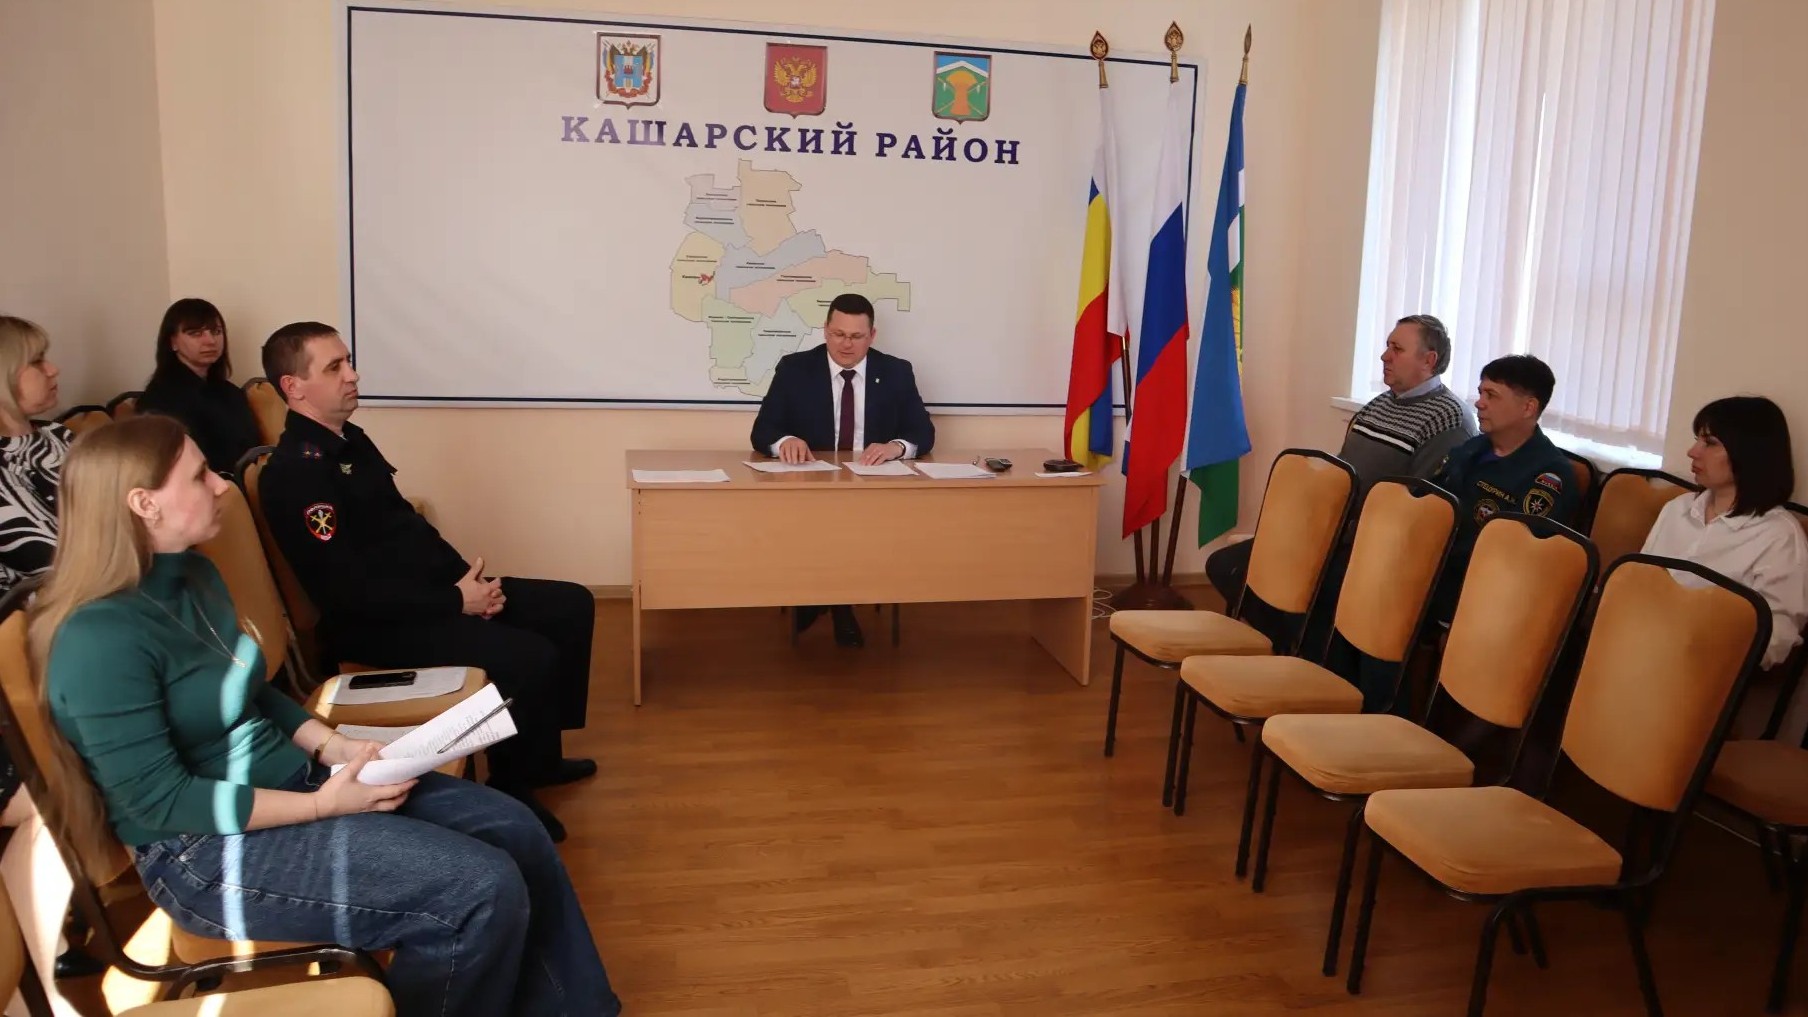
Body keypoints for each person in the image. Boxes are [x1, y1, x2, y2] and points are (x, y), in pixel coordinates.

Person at [33, 415, 621, 1017]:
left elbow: (246, 688)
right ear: (144, 504)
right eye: (200, 475)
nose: (221, 485)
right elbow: (161, 802)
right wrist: (322, 805)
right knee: (476, 889)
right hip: (202, 851)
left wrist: (332, 747)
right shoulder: (98, 638)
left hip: (295, 782)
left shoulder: (194, 573)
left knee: (513, 827)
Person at [255, 323, 595, 842]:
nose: (353, 374)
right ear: (293, 387)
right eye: (335, 367)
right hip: (376, 625)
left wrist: (468, 581)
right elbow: (349, 594)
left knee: (570, 605)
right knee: (528, 657)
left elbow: (409, 531)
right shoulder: (298, 475)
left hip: (427, 596)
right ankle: (511, 786)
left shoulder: (349, 442)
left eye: (348, 361)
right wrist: (457, 600)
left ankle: (540, 756)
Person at [1204, 313, 1475, 641]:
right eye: (1387, 346)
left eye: (1397, 349)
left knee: (1307, 588)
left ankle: (1306, 652)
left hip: (1375, 547)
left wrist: (1342, 533)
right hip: (1331, 530)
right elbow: (1342, 471)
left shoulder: (1449, 419)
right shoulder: (1380, 404)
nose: (1384, 356)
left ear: (1428, 360)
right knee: (1226, 566)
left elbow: (1420, 505)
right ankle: (1294, 646)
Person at [749, 292, 934, 647]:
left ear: (872, 335)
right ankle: (837, 604)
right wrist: (785, 440)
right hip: (812, 491)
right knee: (826, 523)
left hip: (872, 495)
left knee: (857, 526)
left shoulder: (895, 372)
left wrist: (895, 447)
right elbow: (762, 431)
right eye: (838, 334)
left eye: (856, 336)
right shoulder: (795, 369)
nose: (845, 344)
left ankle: (825, 602)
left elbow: (923, 432)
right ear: (825, 330)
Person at [1642, 396, 1808, 671]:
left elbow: (1776, 638)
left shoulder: (1779, 535)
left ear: (1749, 453)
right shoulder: (1677, 508)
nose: (1692, 452)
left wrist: (1700, 645)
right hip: (1641, 641)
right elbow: (1640, 579)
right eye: (1697, 440)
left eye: (1710, 443)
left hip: (1700, 667)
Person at [1429, 353, 1582, 621]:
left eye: (1492, 395)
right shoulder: (1472, 448)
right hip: (1434, 568)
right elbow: (1429, 498)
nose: (1479, 403)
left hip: (1487, 593)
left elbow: (1517, 553)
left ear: (1528, 407)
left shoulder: (1549, 475)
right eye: (1480, 393)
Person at [136, 298, 263, 474]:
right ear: (172, 342)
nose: (210, 341)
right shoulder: (160, 400)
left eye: (216, 331)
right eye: (195, 333)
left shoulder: (231, 392)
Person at [0, 316, 71, 599]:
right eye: (37, 361)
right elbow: (52, 561)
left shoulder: (58, 435)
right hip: (55, 609)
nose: (53, 370)